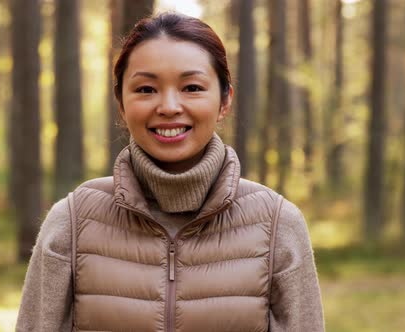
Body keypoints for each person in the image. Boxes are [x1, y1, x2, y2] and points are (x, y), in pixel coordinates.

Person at [16, 12, 324, 332]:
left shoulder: (278, 225)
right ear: (121, 103)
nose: (169, 106)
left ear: (224, 101)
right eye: (147, 89)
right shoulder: (73, 221)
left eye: (191, 87)